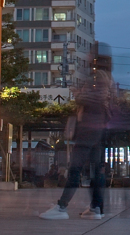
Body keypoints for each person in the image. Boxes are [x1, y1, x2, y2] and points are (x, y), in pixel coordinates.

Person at [40, 62, 113, 220]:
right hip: (97, 133)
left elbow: (87, 100)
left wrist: (77, 93)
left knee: (74, 170)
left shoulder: (96, 83)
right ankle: (96, 208)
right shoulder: (106, 89)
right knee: (95, 172)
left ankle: (62, 207)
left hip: (87, 132)